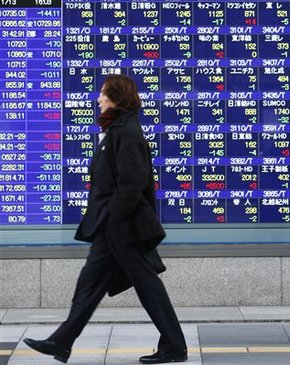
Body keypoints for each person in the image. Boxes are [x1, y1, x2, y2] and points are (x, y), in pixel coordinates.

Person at [23, 75, 188, 364]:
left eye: (102, 94)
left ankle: (174, 346)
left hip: (122, 226)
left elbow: (133, 180)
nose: (98, 99)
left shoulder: (127, 132)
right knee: (90, 283)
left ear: (116, 98)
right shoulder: (117, 130)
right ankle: (61, 342)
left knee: (147, 286)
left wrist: (113, 214)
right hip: (111, 226)